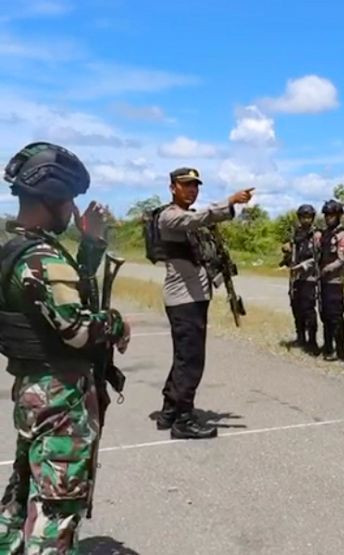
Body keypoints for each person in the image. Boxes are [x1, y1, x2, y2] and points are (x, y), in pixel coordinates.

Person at [0, 142, 131, 553]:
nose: (72, 208)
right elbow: (75, 328)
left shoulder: (17, 246)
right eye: (69, 198)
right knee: (58, 505)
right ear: (54, 196)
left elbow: (66, 292)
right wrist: (116, 324)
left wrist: (90, 244)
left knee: (24, 492)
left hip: (35, 389)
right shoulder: (40, 255)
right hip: (60, 394)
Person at [156, 167, 253, 439]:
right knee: (191, 362)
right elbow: (199, 219)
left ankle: (170, 410)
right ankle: (184, 420)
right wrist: (230, 202)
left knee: (184, 359)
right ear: (172, 187)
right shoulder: (169, 216)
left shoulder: (186, 216)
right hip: (184, 299)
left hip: (194, 297)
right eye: (186, 185)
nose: (191, 190)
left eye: (195, 185)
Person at [281, 204, 320, 354]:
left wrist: (302, 266)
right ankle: (300, 336)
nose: (305, 220)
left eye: (308, 217)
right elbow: (291, 252)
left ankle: (312, 340)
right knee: (296, 307)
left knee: (308, 309)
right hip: (295, 278)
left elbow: (317, 257)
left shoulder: (316, 235)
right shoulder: (296, 234)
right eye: (303, 217)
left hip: (309, 277)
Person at [318, 200, 344, 361]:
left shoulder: (342, 235)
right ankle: (328, 346)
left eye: (331, 215)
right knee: (325, 315)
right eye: (326, 215)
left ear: (338, 216)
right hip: (323, 281)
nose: (328, 218)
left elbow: (343, 259)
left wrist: (327, 269)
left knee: (336, 316)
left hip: (335, 281)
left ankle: (340, 349)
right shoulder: (325, 234)